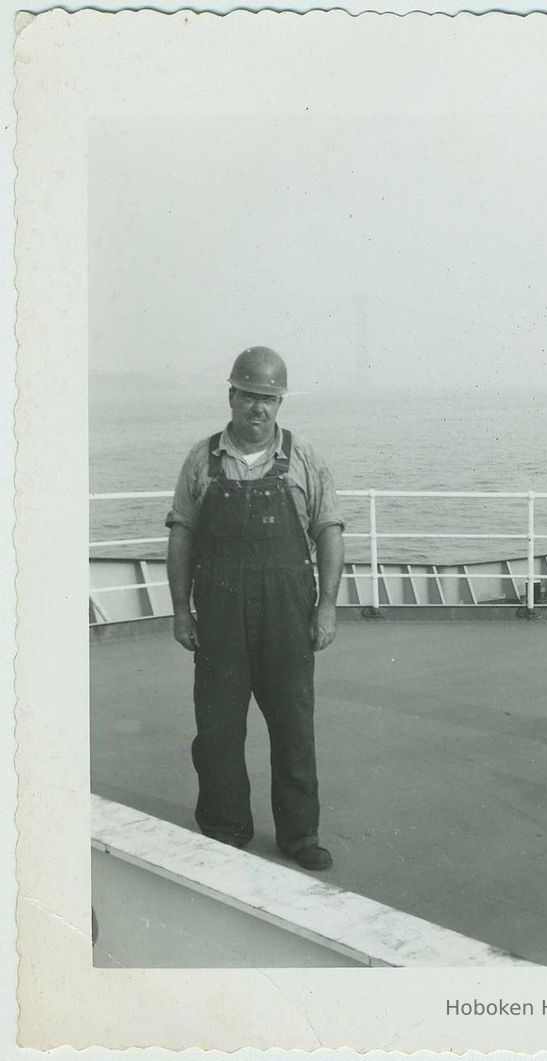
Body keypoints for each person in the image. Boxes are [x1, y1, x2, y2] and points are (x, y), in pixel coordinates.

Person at [165, 346, 344, 871]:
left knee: (293, 722)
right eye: (249, 396)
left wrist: (327, 607)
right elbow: (181, 536)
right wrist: (181, 609)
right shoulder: (202, 459)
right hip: (218, 613)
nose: (258, 408)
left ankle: (299, 834)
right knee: (218, 727)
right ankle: (224, 829)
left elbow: (328, 531)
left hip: (287, 612)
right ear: (232, 396)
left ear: (280, 401)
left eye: (269, 398)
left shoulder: (304, 457)